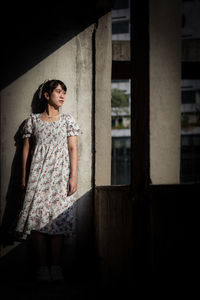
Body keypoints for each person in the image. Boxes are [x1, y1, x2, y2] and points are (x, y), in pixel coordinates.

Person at [15, 79, 82, 282]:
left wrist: (73, 177)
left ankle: (56, 267)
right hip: (38, 176)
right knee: (37, 222)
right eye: (58, 92)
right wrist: (24, 176)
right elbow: (25, 150)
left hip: (60, 177)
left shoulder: (67, 120)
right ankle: (42, 268)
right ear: (47, 95)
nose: (62, 96)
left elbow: (72, 149)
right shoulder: (33, 121)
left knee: (58, 222)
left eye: (64, 93)